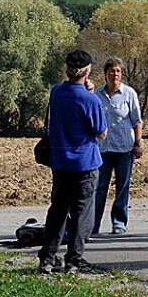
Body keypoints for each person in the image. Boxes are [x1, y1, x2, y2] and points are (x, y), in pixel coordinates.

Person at [38, 50, 108, 274]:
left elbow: (63, 91)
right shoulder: (91, 100)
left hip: (59, 162)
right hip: (85, 163)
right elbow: (101, 132)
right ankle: (74, 260)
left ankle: (47, 258)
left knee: (57, 210)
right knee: (82, 213)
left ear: (67, 70)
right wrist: (90, 91)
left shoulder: (56, 92)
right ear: (87, 72)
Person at [93, 57, 143, 235]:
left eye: (118, 71)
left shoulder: (129, 94)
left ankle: (119, 222)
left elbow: (137, 121)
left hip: (124, 148)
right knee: (99, 187)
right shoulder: (96, 95)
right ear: (105, 74)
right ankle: (93, 224)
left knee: (122, 186)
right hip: (102, 149)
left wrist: (138, 144)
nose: (115, 74)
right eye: (111, 71)